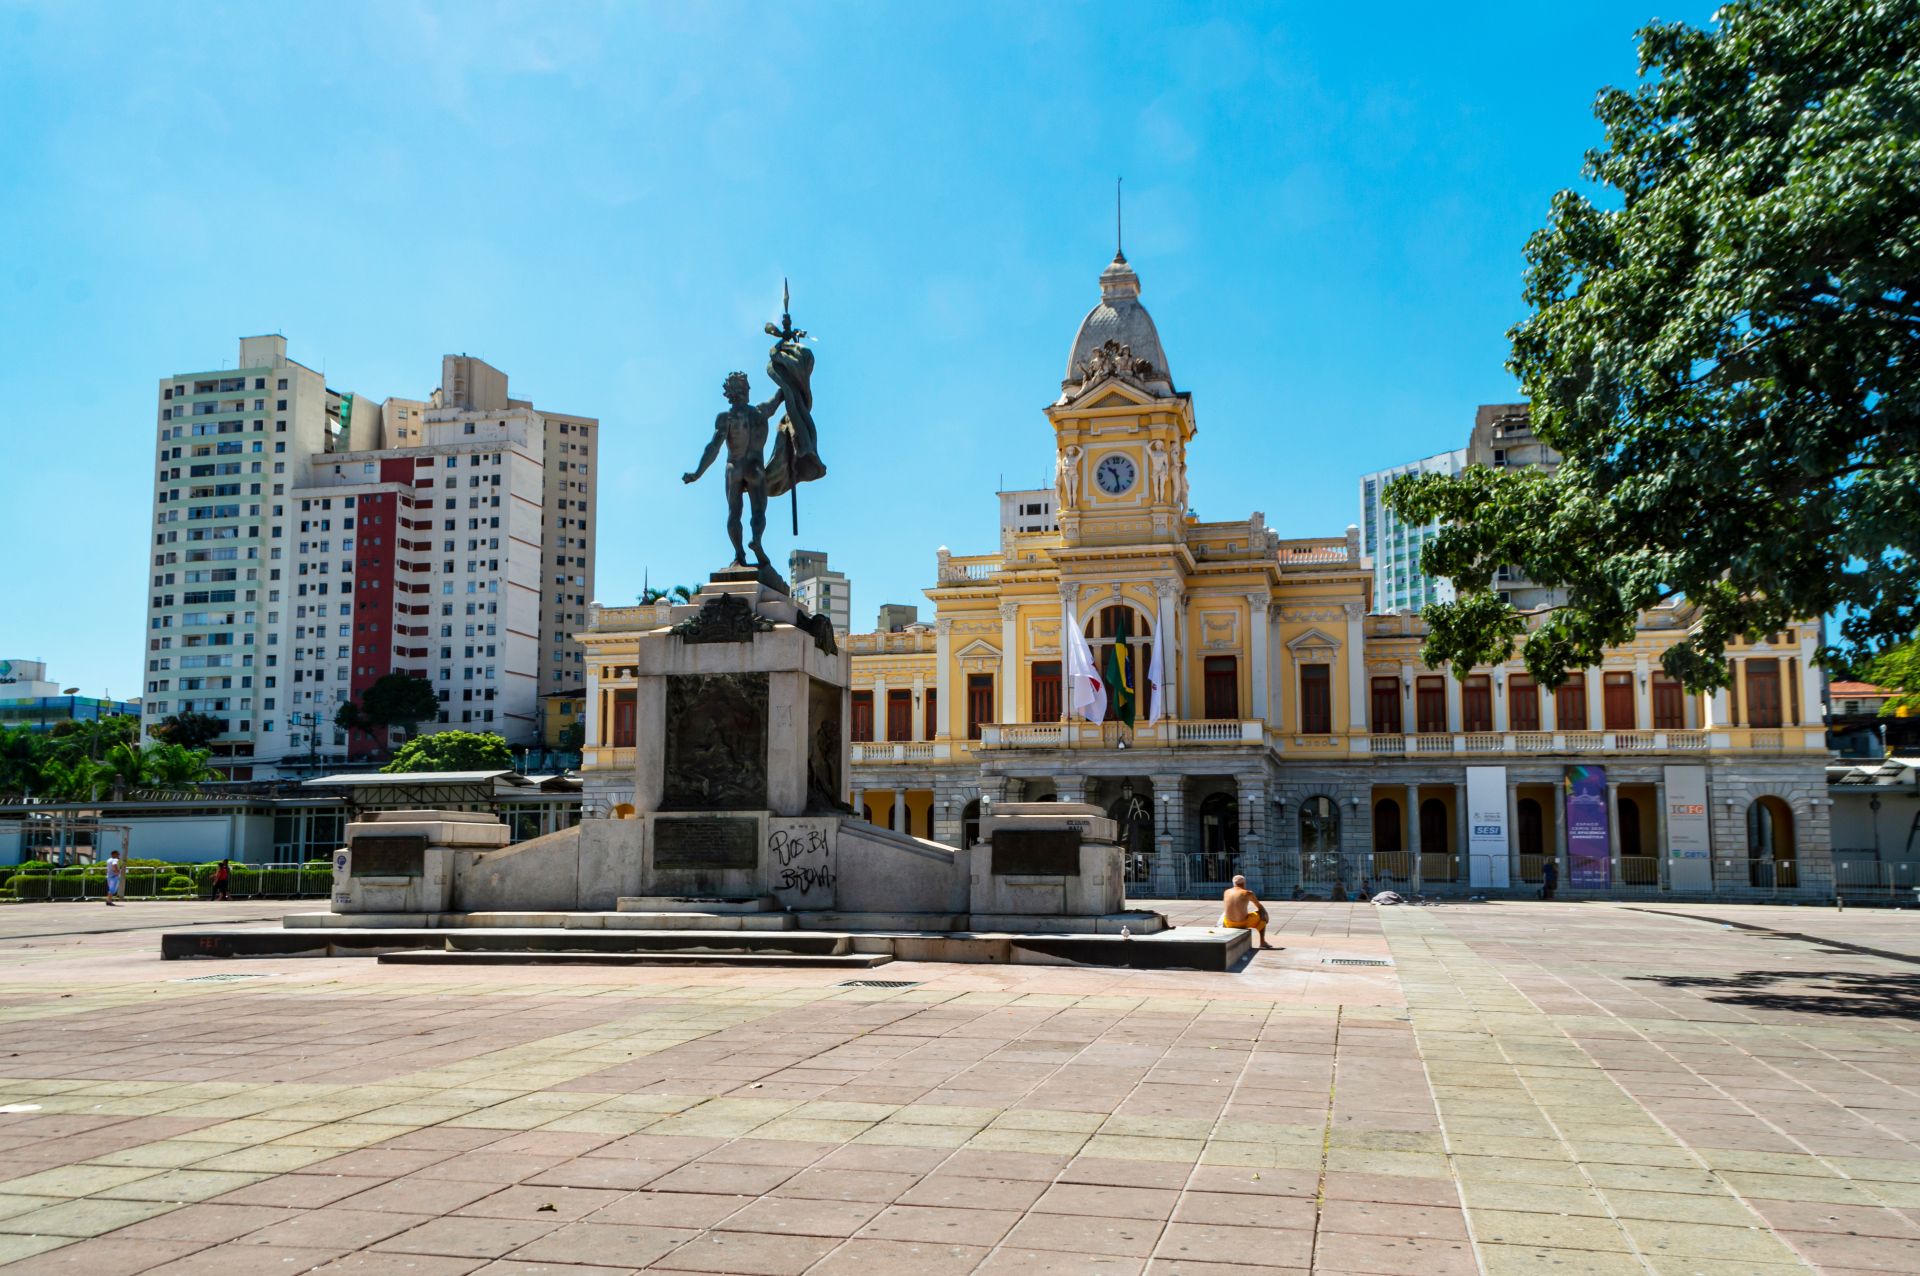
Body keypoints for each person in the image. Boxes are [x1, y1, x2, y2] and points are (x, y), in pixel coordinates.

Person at [1220, 875, 1272, 949]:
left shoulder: (1226, 892)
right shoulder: (1248, 893)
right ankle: (1262, 942)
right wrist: (1265, 915)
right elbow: (1260, 907)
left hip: (1228, 923)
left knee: (1224, 914)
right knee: (1261, 915)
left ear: (1233, 883)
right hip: (1242, 923)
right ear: (1244, 883)